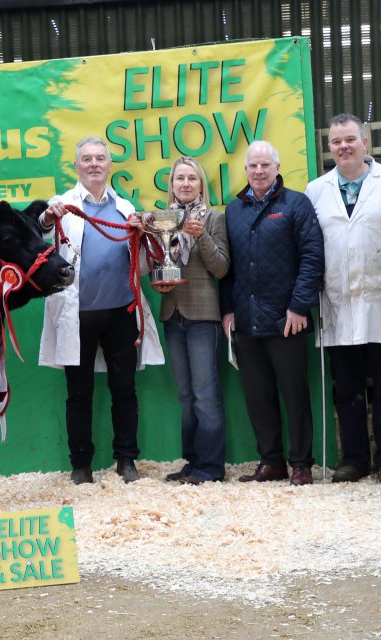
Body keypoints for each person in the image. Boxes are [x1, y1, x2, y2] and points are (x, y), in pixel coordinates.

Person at [38, 136, 164, 485]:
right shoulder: (61, 205)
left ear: (109, 165)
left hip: (121, 313)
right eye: (87, 159)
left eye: (100, 158)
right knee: (78, 393)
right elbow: (41, 233)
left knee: (124, 388)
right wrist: (47, 218)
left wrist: (145, 233)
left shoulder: (125, 208)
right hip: (77, 316)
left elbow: (138, 266)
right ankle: (81, 466)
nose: (94, 164)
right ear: (76, 166)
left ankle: (126, 460)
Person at [306, 113, 381, 484]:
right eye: (336, 142)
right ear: (329, 147)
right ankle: (353, 459)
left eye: (350, 139)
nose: (344, 147)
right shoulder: (315, 190)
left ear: (365, 142)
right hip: (337, 302)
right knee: (346, 389)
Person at [220, 140, 324, 486]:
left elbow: (312, 257)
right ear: (246, 170)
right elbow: (228, 265)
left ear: (278, 167)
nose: (259, 171)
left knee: (294, 393)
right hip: (246, 320)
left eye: (266, 165)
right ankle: (271, 462)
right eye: (253, 166)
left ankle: (301, 464)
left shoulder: (297, 204)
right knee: (257, 395)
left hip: (287, 320)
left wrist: (299, 306)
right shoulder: (233, 210)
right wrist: (228, 309)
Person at [152, 156, 231, 485]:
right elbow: (157, 262)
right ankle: (192, 463)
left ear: (201, 185)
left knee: (205, 394)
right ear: (171, 184)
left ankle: (211, 467)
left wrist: (201, 238)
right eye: (179, 179)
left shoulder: (214, 218)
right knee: (186, 397)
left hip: (203, 317)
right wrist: (161, 282)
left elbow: (221, 268)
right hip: (173, 315)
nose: (185, 184)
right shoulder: (161, 220)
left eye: (192, 179)